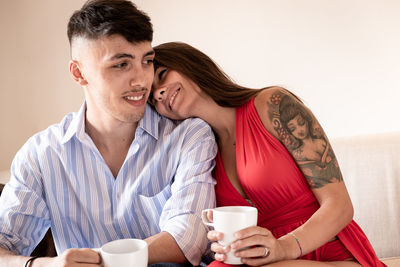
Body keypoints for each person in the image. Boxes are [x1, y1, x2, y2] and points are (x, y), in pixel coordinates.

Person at [0, 2, 217, 267]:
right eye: (121, 65)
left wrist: (100, 260)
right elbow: (3, 244)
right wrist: (45, 265)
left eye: (146, 61)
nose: (141, 80)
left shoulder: (190, 136)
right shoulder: (40, 155)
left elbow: (188, 239)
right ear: (79, 73)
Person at [151, 42, 386, 267]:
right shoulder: (202, 154)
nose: (159, 93)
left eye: (161, 75)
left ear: (189, 63)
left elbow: (340, 205)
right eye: (153, 98)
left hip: (331, 251)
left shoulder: (273, 104)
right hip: (265, 260)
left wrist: (283, 247)